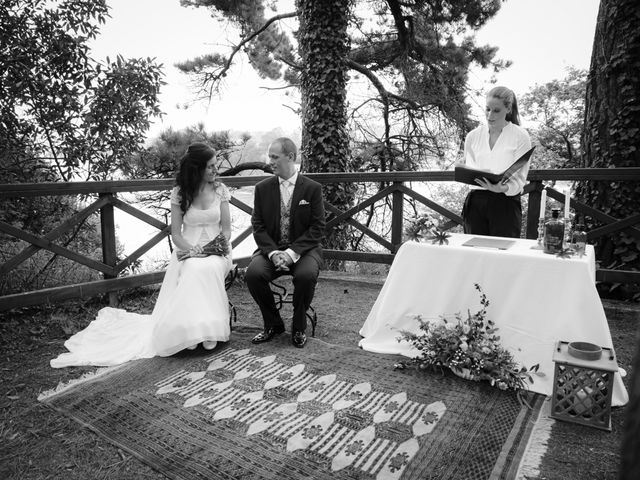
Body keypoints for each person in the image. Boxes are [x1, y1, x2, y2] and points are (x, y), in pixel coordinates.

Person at [51, 143, 232, 367]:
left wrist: (215, 247)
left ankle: (210, 330)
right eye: (211, 167)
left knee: (209, 267)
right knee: (194, 267)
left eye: (216, 165)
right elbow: (176, 234)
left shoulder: (220, 190)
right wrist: (192, 250)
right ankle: (191, 329)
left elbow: (227, 230)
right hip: (188, 249)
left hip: (218, 250)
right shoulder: (180, 193)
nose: (216, 171)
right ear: (196, 170)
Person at [245, 137, 325, 349]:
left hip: (305, 251)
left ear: (290, 157)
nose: (269, 161)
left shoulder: (312, 188)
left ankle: (298, 327)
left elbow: (317, 228)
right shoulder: (262, 188)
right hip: (271, 251)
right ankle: (273, 324)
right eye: (269, 156)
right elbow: (258, 226)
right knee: (253, 274)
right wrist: (273, 253)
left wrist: (291, 254)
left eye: (274, 157)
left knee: (306, 276)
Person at [461, 86, 532, 238]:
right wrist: (461, 168)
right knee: (475, 254)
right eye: (487, 109)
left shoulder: (520, 136)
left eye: (496, 110)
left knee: (503, 257)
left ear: (508, 109)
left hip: (505, 202)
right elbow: (469, 167)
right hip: (475, 202)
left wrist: (503, 188)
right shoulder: (473, 136)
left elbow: (521, 176)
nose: (490, 115)